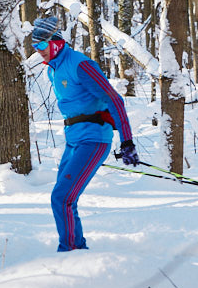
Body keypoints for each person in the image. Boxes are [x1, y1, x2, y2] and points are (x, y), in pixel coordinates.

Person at [31, 15, 139, 252]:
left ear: (56, 42)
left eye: (41, 45)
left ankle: (69, 252)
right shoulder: (53, 69)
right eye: (34, 46)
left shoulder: (81, 65)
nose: (38, 51)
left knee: (61, 198)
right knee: (64, 199)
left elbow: (114, 100)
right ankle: (77, 250)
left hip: (92, 140)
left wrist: (127, 141)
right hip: (74, 141)